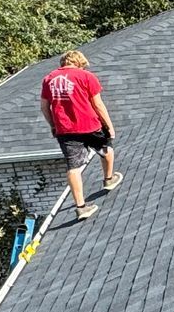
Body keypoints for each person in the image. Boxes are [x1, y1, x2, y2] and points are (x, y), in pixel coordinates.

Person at [39, 49, 123, 220]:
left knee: (74, 167)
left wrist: (53, 125)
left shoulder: (49, 79)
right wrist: (109, 126)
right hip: (89, 124)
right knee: (106, 149)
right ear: (79, 62)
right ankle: (108, 179)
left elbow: (44, 107)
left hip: (65, 129)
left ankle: (81, 207)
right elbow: (98, 104)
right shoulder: (86, 77)